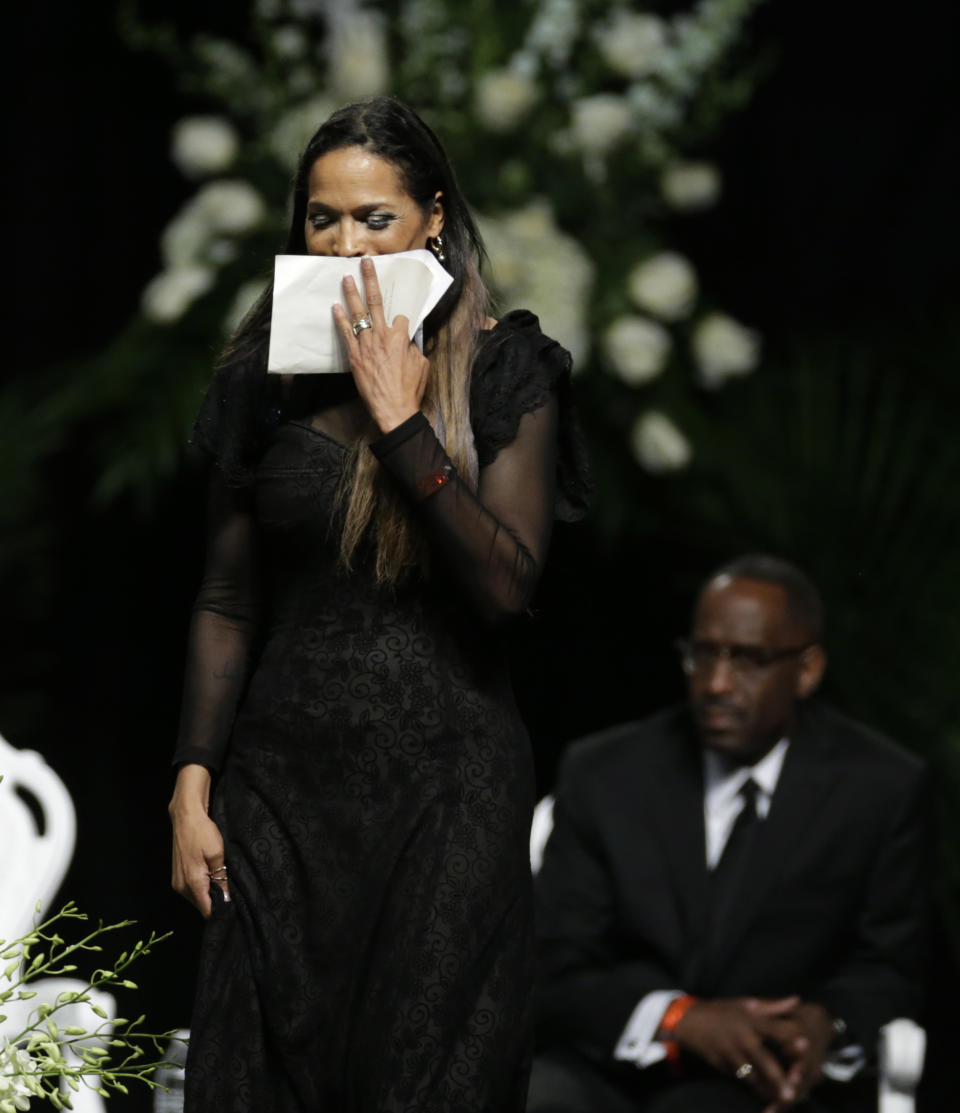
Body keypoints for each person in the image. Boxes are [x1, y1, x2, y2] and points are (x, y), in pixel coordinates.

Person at [167, 96, 588, 1113]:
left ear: (432, 219)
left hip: (444, 802)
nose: (348, 244)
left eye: (376, 218)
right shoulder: (262, 378)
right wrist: (191, 786)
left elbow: (505, 590)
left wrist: (403, 421)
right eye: (324, 218)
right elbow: (227, 601)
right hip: (278, 802)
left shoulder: (504, 370)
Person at [529, 555, 927, 1113]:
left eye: (749, 660)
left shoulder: (878, 788)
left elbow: (893, 967)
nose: (716, 683)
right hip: (611, 1067)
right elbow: (554, 964)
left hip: (768, 1083)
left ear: (808, 670)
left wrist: (827, 1023)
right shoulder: (605, 773)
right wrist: (676, 1018)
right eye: (703, 654)